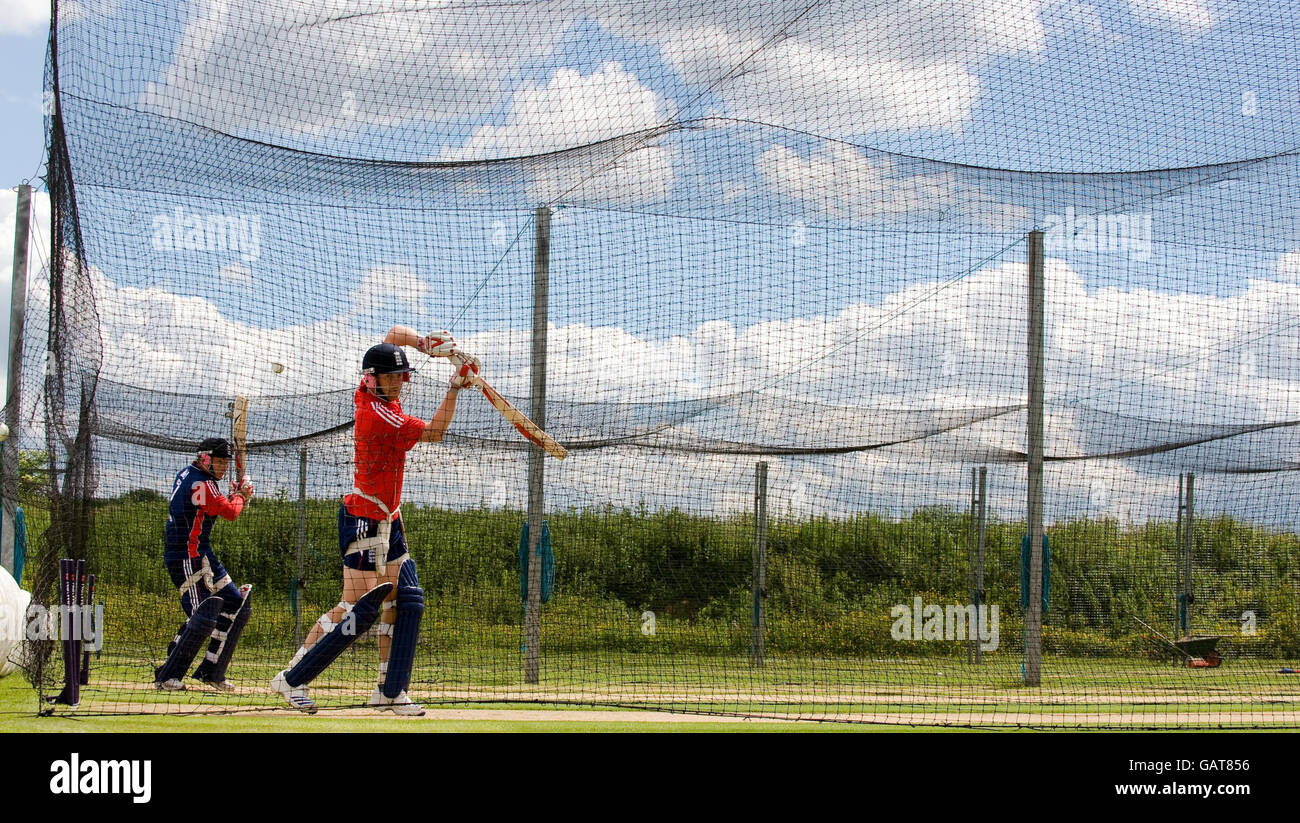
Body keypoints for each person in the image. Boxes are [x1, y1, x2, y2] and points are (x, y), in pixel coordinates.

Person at [271, 326, 474, 715]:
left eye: (402, 375)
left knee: (407, 600)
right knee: (356, 608)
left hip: (389, 518)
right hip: (363, 519)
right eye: (393, 376)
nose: (400, 382)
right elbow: (434, 432)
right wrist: (454, 387)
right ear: (373, 378)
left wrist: (425, 346)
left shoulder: (373, 389)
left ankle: (389, 689)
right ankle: (291, 678)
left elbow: (392, 335)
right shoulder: (378, 415)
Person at [156, 437, 256, 690]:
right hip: (186, 555)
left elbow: (217, 505)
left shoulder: (191, 475)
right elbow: (230, 513)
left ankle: (211, 671)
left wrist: (235, 495)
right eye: (220, 461)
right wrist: (241, 496)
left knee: (235, 603)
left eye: (226, 462)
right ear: (205, 459)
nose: (223, 467)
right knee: (202, 614)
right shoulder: (201, 482)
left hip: (202, 552)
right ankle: (168, 674)